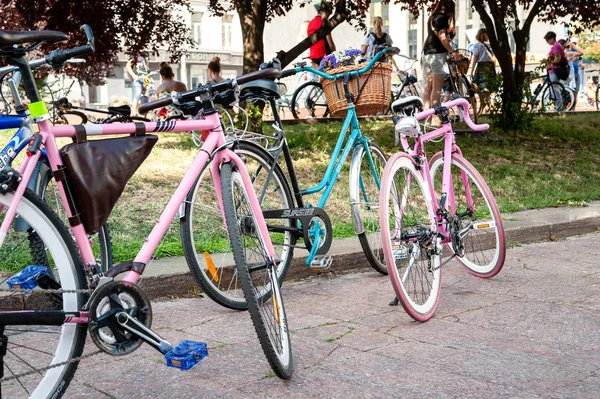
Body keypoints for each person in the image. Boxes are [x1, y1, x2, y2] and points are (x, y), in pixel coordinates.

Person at [421, 0, 461, 120]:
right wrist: (452, 51)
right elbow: (442, 37)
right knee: (437, 88)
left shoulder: (433, 17)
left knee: (429, 86)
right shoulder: (442, 18)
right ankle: (435, 118)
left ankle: (426, 117)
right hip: (437, 55)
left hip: (427, 53)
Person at [470, 28, 496, 110]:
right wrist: (494, 68)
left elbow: (475, 58)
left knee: (481, 86)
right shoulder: (490, 45)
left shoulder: (477, 45)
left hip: (481, 66)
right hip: (490, 66)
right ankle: (488, 103)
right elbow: (494, 58)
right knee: (488, 85)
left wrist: (472, 70)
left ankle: (485, 103)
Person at [308, 0, 336, 69]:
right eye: (329, 13)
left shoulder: (310, 23)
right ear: (325, 11)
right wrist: (335, 54)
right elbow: (331, 44)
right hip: (323, 55)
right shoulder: (324, 23)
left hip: (313, 56)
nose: (329, 16)